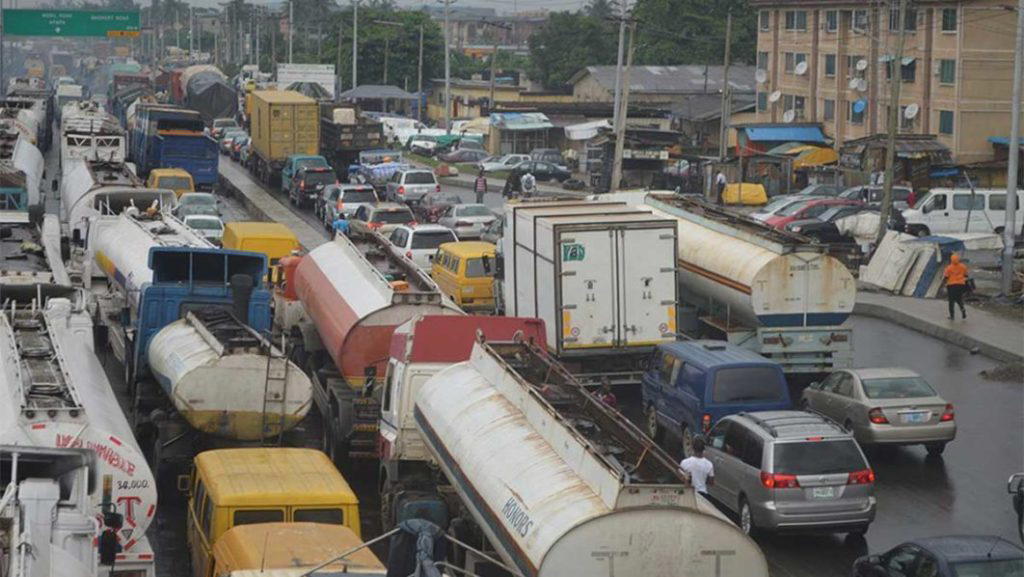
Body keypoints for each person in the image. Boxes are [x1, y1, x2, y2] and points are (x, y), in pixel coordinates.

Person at [942, 253, 969, 320]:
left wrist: (944, 284)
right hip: (961, 285)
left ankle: (952, 316)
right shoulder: (963, 266)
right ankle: (962, 309)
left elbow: (946, 277)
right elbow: (966, 275)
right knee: (959, 298)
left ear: (951, 260)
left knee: (951, 301)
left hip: (951, 286)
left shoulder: (949, 268)